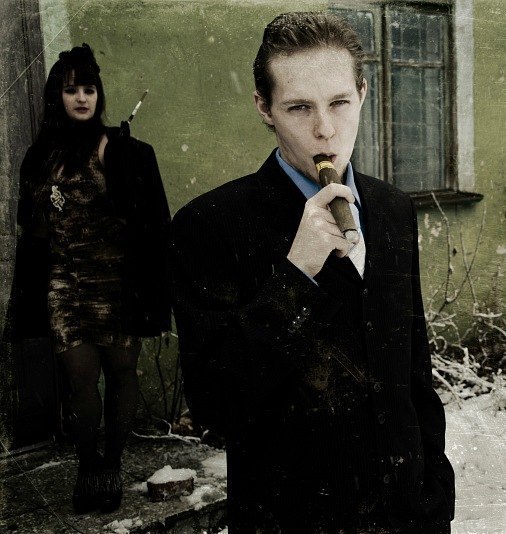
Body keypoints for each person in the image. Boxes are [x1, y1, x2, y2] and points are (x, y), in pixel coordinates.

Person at [171, 12, 455, 533]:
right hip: (295, 519)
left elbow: (413, 370)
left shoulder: (392, 209)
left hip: (408, 514)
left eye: (339, 102)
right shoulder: (209, 225)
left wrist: (435, 492)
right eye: (299, 107)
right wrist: (296, 273)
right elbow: (214, 405)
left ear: (362, 95)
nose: (325, 129)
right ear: (264, 108)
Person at [6, 44, 171, 514]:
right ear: (56, 97)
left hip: (117, 284)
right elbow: (35, 232)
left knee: (121, 373)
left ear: (99, 95)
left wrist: (124, 186)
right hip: (66, 285)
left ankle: (112, 465)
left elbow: (149, 223)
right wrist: (47, 205)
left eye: (90, 89)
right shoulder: (41, 158)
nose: (82, 98)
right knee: (80, 379)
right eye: (71, 89)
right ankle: (87, 467)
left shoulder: (119, 149)